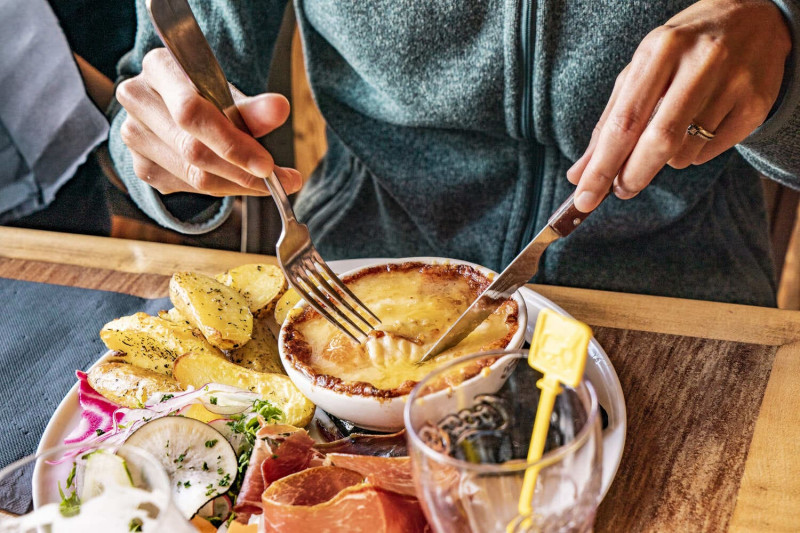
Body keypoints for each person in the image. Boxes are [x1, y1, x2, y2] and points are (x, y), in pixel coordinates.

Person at [109, 0, 799, 306]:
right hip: (358, 280)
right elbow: (154, 84)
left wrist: (784, 60)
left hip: (684, 296)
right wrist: (174, 155)